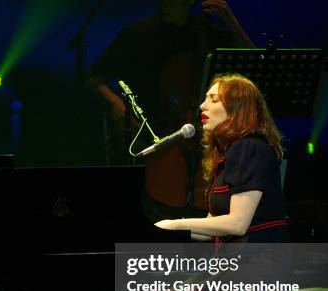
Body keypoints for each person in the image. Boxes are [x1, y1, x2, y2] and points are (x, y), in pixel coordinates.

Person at [117, 73, 289, 291]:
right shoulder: (233, 155)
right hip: (238, 265)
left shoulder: (248, 149)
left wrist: (176, 223)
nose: (201, 106)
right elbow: (214, 228)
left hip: (258, 269)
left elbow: (237, 223)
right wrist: (159, 232)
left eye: (213, 99)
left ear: (237, 108)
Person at [86, 0, 254, 222]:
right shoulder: (139, 33)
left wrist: (230, 20)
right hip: (156, 128)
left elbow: (252, 59)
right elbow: (94, 76)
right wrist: (117, 104)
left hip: (205, 128)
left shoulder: (205, 31)